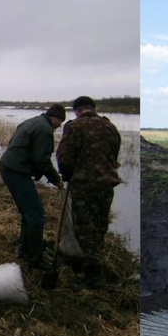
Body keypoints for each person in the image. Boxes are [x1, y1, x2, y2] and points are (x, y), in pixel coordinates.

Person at [56, 96, 121, 291]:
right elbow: (114, 154)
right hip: (107, 185)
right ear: (94, 108)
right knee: (100, 224)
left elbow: (64, 157)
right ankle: (97, 263)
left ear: (77, 110)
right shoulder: (110, 127)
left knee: (86, 228)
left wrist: (66, 174)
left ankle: (93, 276)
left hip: (84, 186)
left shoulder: (74, 127)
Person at [0, 104, 66, 271]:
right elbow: (41, 160)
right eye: (60, 122)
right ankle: (35, 258)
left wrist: (35, 171)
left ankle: (24, 248)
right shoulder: (44, 130)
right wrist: (56, 179)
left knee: (27, 212)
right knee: (36, 214)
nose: (59, 127)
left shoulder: (31, 122)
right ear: (55, 118)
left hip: (8, 168)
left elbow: (14, 144)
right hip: (17, 173)